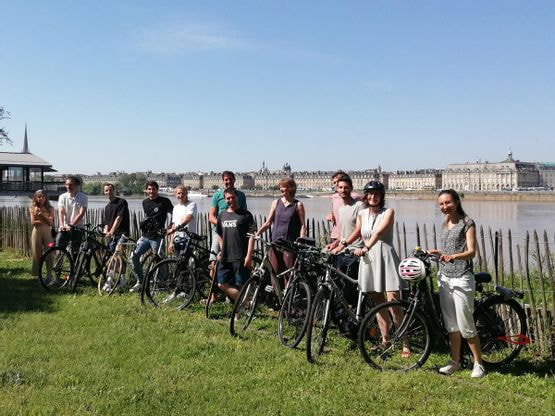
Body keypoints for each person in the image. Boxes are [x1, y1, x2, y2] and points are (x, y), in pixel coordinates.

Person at [340, 181, 408, 353]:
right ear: (365, 196)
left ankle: (404, 342)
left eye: (376, 194)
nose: (373, 197)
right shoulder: (362, 213)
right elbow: (358, 231)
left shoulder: (388, 212)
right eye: (370, 194)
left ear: (381, 196)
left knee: (394, 303)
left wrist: (366, 247)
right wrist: (343, 243)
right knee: (378, 303)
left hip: (385, 257)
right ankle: (385, 340)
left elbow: (378, 232)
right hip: (369, 259)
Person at [430, 189, 485, 378]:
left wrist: (453, 257)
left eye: (448, 203)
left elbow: (471, 252)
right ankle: (455, 362)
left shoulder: (467, 223)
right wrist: (439, 253)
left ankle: (478, 364)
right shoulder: (445, 223)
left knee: (466, 324)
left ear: (457, 202)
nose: (445, 207)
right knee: (451, 325)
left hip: (462, 277)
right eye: (441, 204)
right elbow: (448, 250)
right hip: (445, 277)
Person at [206, 171, 247, 302]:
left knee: (234, 263)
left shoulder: (240, 195)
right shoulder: (217, 195)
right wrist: (222, 225)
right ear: (223, 181)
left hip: (234, 234)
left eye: (230, 179)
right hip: (218, 233)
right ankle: (213, 295)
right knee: (213, 263)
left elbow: (243, 214)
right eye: (225, 180)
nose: (228, 182)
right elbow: (211, 216)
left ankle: (231, 295)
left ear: (234, 180)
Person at [256, 178, 306, 284]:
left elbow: (302, 225)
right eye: (280, 187)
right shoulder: (276, 203)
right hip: (275, 243)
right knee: (274, 273)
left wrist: (301, 240)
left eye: (283, 187)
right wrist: (258, 233)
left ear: (291, 188)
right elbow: (268, 222)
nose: (281, 189)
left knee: (289, 275)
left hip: (290, 245)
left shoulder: (298, 205)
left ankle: (287, 298)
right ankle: (276, 298)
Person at [327, 176, 364, 310]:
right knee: (338, 285)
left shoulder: (359, 206)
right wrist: (335, 243)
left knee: (350, 288)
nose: (343, 190)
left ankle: (355, 317)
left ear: (351, 189)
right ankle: (342, 314)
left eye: (346, 187)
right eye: (340, 187)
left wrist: (342, 245)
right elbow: (344, 233)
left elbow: (359, 230)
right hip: (342, 251)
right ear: (336, 189)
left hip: (355, 252)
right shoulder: (342, 209)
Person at [130, 180, 173, 292]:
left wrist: (170, 225)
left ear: (157, 189)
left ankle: (160, 284)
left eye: (153, 189)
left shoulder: (165, 201)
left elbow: (174, 213)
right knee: (134, 257)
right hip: (145, 236)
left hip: (157, 237)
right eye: (149, 189)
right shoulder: (145, 202)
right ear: (146, 190)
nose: (151, 191)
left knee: (159, 261)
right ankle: (141, 280)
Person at [215, 189, 256, 303]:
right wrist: (222, 249)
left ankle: (238, 312)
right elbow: (219, 234)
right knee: (221, 284)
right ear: (224, 200)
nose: (230, 200)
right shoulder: (222, 215)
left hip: (240, 256)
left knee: (240, 285)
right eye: (228, 198)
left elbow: (252, 235)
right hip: (225, 256)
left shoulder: (246, 215)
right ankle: (246, 302)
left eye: (232, 197)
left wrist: (249, 255)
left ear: (237, 197)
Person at [326, 170, 360, 243]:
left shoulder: (356, 197)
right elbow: (333, 211)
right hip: (335, 235)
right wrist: (331, 214)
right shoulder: (333, 197)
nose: (335, 185)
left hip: (349, 237)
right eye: (334, 183)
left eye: (337, 182)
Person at [56, 175, 87, 255]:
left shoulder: (83, 197)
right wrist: (62, 225)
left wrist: (71, 225)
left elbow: (81, 213)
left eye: (71, 184)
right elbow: (61, 211)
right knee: (58, 246)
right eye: (67, 184)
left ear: (76, 185)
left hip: (78, 228)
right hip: (65, 227)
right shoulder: (62, 197)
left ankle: (74, 267)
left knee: (75, 251)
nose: (68, 186)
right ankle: (57, 266)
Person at [29, 190, 55, 278]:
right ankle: (38, 276)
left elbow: (51, 223)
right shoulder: (32, 208)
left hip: (47, 231)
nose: (41, 198)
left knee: (50, 251)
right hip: (36, 231)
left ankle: (49, 275)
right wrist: (45, 219)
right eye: (38, 196)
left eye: (42, 196)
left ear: (45, 198)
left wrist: (41, 216)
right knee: (36, 253)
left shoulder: (50, 208)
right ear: (35, 198)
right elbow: (33, 223)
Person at [168, 185, 198, 253]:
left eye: (183, 193)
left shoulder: (192, 204)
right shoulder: (175, 208)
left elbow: (188, 218)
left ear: (186, 194)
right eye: (179, 193)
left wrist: (176, 228)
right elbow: (174, 224)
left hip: (188, 238)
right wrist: (171, 242)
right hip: (177, 238)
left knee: (187, 261)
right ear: (175, 194)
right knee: (177, 261)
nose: (181, 195)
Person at [102, 182, 130, 253]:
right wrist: (106, 232)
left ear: (114, 191)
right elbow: (106, 223)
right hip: (113, 235)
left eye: (110, 190)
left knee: (117, 252)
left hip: (122, 233)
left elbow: (119, 218)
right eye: (106, 190)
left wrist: (111, 232)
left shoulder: (122, 202)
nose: (109, 192)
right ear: (104, 192)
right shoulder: (107, 207)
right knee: (111, 252)